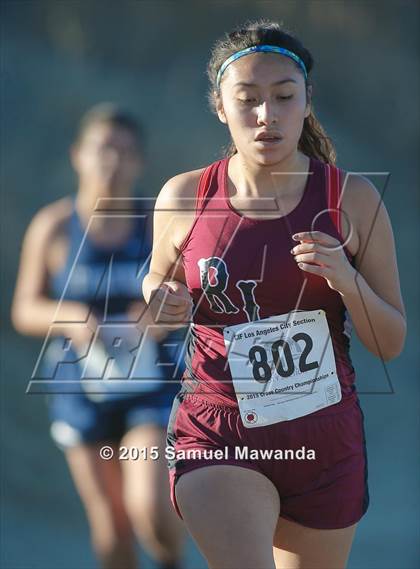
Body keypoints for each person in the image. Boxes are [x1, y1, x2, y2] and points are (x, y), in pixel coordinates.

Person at [142, 20, 407, 569]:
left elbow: (391, 342)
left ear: (307, 101)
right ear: (220, 106)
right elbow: (156, 280)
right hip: (217, 429)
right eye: (248, 100)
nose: (268, 115)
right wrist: (160, 298)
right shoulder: (186, 195)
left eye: (284, 97)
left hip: (323, 440)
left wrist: (346, 279)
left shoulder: (351, 199)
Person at [12, 104, 185, 569]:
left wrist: (155, 318)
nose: (113, 161)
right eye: (103, 148)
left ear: (140, 162)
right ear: (78, 155)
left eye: (126, 152)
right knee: (110, 525)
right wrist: (69, 317)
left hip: (150, 387)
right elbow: (24, 309)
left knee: (149, 506)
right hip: (80, 388)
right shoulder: (52, 227)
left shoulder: (158, 224)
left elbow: (190, 301)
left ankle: (172, 560)